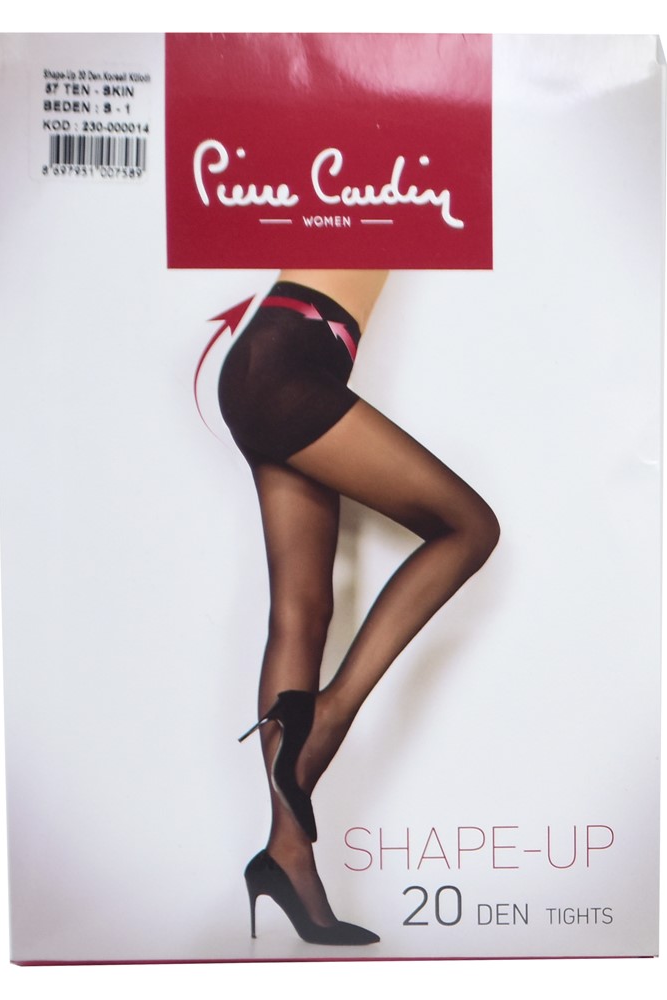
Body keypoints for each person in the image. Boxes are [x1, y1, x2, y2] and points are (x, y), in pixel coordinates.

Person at [218, 269, 500, 945]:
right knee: (469, 528)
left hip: (282, 355)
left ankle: (287, 857)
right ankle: (328, 714)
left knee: (302, 610)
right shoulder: (370, 196)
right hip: (288, 357)